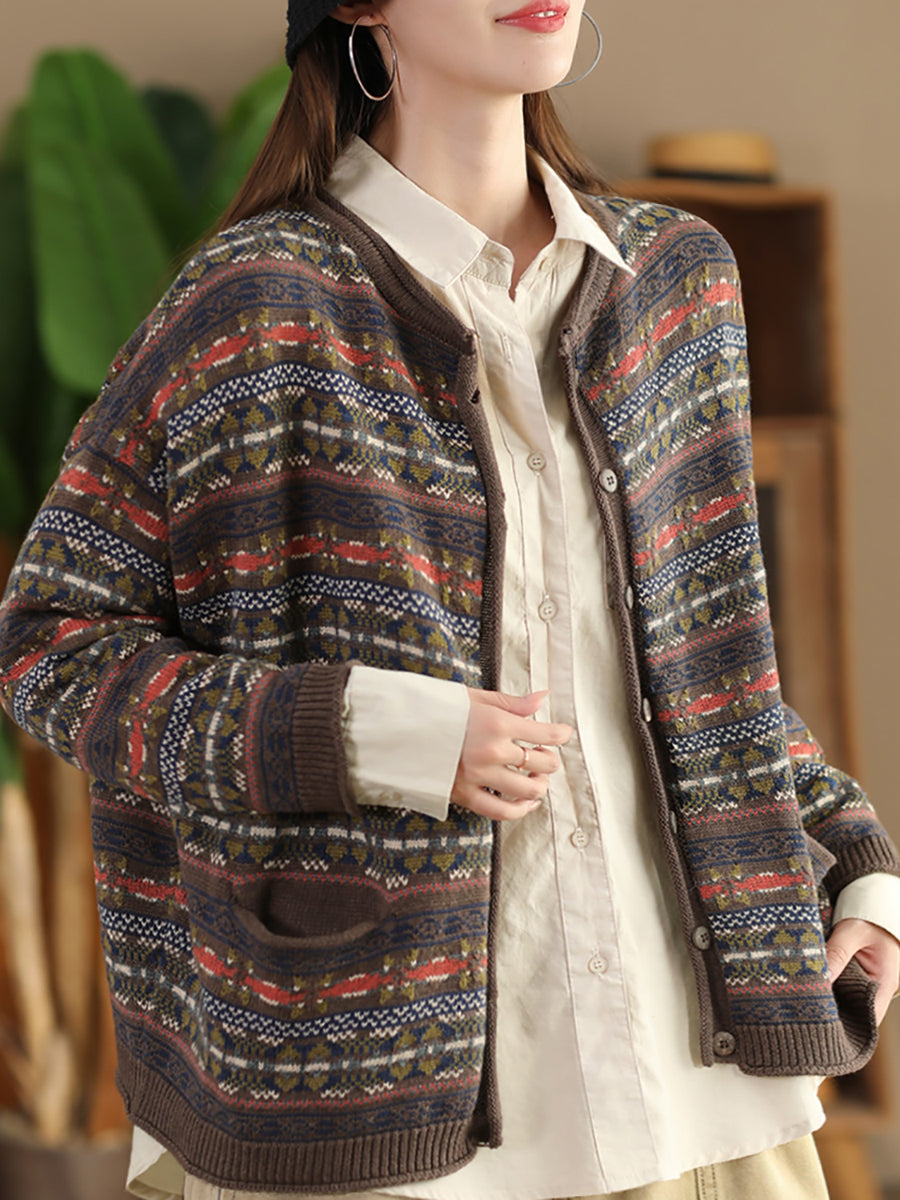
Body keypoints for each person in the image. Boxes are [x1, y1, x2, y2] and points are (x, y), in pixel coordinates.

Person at [1, 2, 899, 1198]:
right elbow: (53, 650)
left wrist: (852, 860)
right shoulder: (255, 304)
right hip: (371, 1113)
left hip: (699, 1090)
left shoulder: (674, 282)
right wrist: (369, 733)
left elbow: (705, 660)